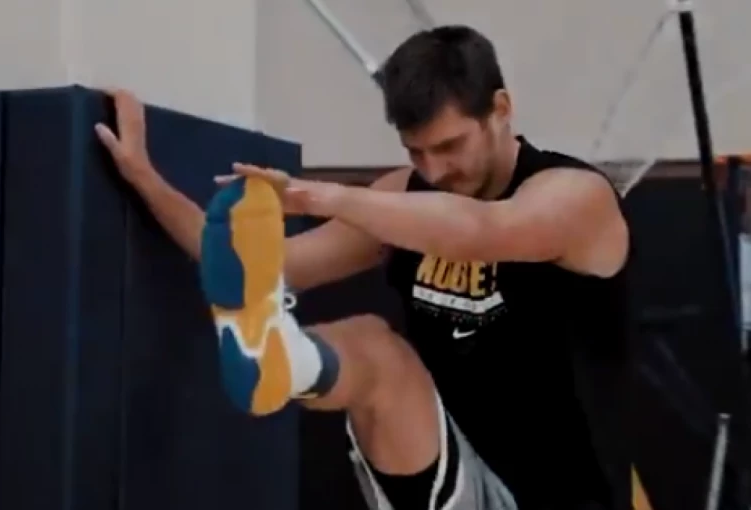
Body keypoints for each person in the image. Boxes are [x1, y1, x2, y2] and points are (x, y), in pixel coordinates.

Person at [96, 25, 632, 510]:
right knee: (374, 346)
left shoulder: (576, 197)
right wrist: (144, 177)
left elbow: (483, 232)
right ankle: (278, 357)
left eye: (450, 146)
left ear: (501, 108)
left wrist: (327, 197)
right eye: (416, 152)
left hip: (566, 498)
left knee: (382, 344)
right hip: (449, 474)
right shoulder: (403, 196)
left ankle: (286, 356)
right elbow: (258, 263)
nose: (434, 170)